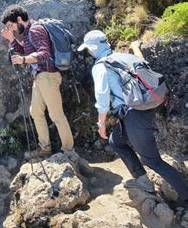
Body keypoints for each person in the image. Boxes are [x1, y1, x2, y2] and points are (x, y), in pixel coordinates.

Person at [78, 30, 187, 202]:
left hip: (135, 114)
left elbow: (102, 98)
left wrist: (101, 124)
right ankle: (142, 180)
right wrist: (135, 47)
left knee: (153, 160)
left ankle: (185, 196)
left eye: (88, 49)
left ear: (93, 48)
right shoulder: (123, 57)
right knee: (116, 142)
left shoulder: (100, 67)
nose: (88, 52)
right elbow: (144, 63)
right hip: (147, 106)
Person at [0, 5, 74, 158]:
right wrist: (13, 40)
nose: (11, 29)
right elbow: (26, 51)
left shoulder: (35, 29)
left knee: (56, 115)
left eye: (10, 25)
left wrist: (24, 60)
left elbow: (44, 53)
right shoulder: (28, 32)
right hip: (40, 77)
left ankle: (68, 151)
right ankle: (44, 148)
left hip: (48, 75)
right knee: (35, 112)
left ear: (19, 19)